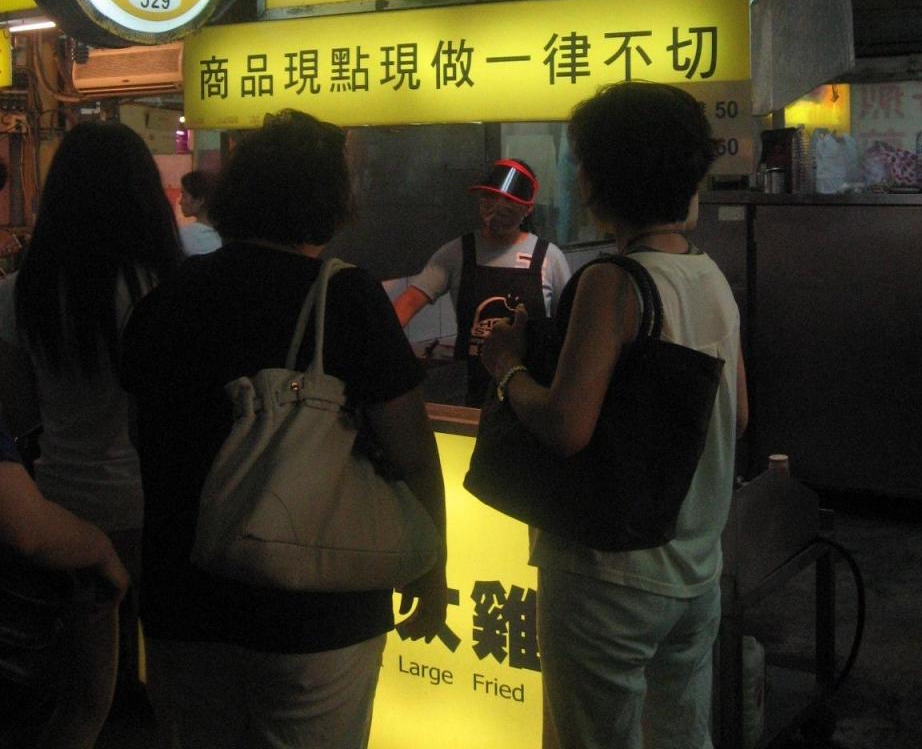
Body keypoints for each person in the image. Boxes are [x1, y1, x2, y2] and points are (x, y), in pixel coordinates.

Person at [121, 109, 446, 749]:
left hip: (182, 600)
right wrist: (431, 570)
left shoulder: (168, 298)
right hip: (320, 609)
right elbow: (412, 450)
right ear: (332, 202)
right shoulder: (346, 298)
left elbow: (141, 436)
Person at [481, 83, 749, 749]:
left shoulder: (612, 282)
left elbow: (566, 428)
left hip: (608, 582)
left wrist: (507, 368)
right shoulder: (708, 274)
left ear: (596, 180)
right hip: (695, 573)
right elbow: (738, 415)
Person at [0, 120, 183, 727]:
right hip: (158, 507)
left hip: (62, 511)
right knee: (173, 687)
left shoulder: (20, 294)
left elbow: (18, 413)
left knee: (84, 700)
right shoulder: (169, 290)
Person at [392, 159, 571, 406]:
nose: (498, 207)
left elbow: (570, 325)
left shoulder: (549, 258)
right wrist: (380, 347)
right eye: (490, 197)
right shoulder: (456, 253)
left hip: (533, 392)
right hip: (475, 389)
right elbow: (409, 302)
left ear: (527, 208)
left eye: (507, 200)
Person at [0, 412, 129, 748]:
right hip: (119, 502)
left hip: (58, 488)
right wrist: (101, 549)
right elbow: (24, 527)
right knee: (85, 705)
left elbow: (19, 405)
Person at [178, 169, 222, 256]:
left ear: (200, 201)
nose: (180, 202)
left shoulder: (183, 236)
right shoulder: (225, 235)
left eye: (184, 195)